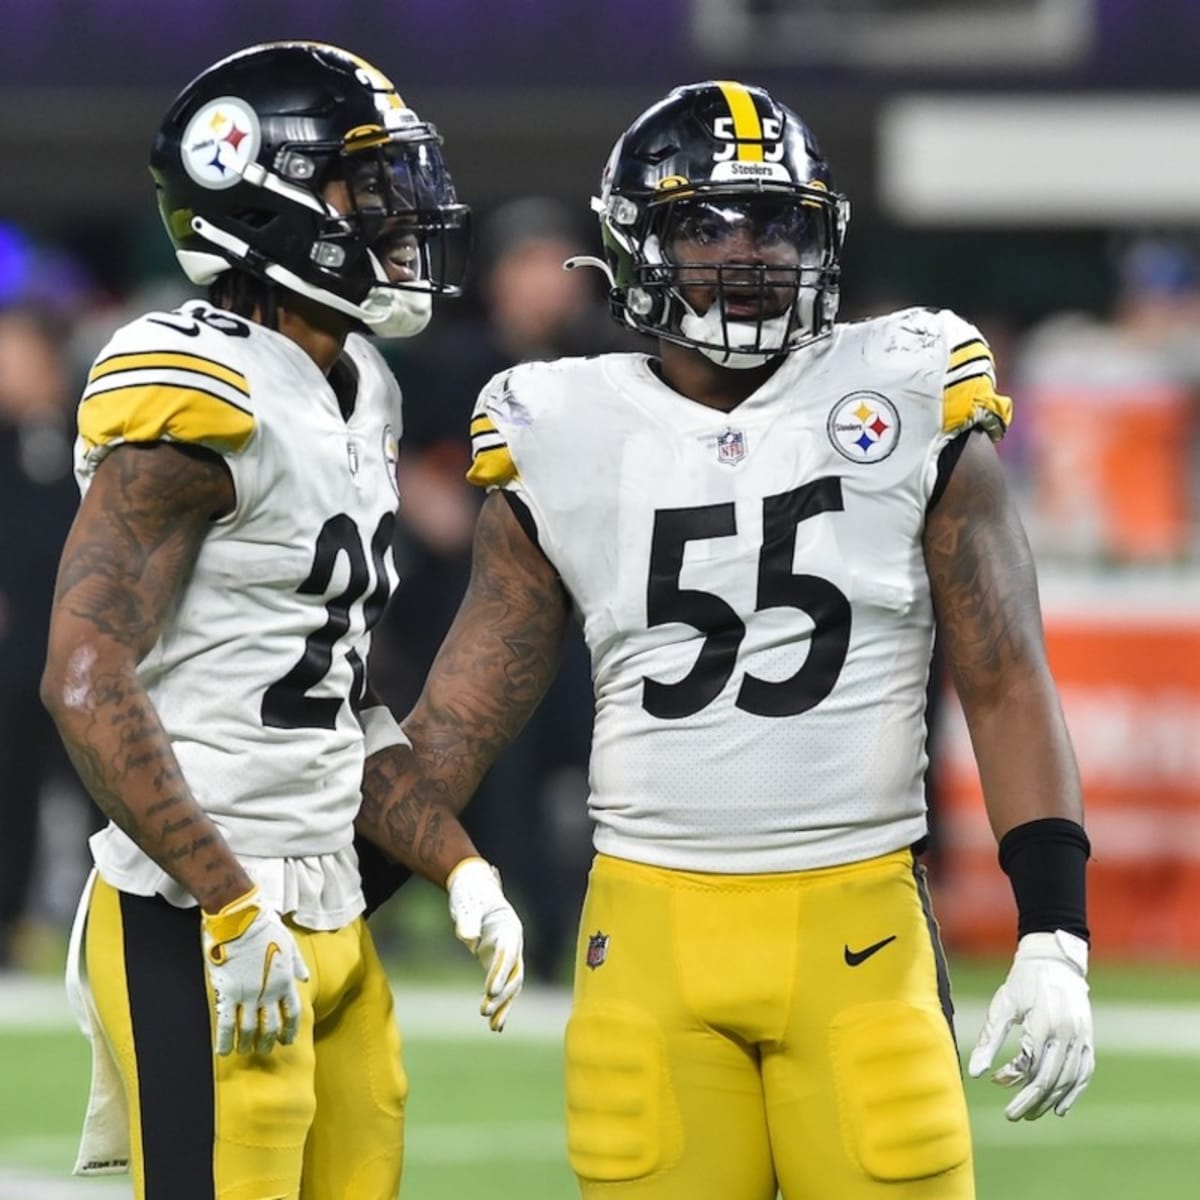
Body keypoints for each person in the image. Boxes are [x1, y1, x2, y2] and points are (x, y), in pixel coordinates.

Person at [355, 82, 1095, 1199]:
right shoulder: (563, 424)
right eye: (707, 223)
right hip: (648, 938)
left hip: (858, 931)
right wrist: (329, 899)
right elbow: (460, 719)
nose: (747, 251)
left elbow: (1002, 673)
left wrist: (1055, 931)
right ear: (639, 241)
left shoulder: (902, 382)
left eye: (776, 221)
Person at [40, 41, 523, 1200]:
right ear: (265, 195)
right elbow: (86, 677)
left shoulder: (363, 386)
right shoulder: (196, 384)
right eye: (367, 184)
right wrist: (226, 897)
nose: (399, 213)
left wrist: (459, 867)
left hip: (328, 906)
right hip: (198, 911)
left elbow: (334, 702)